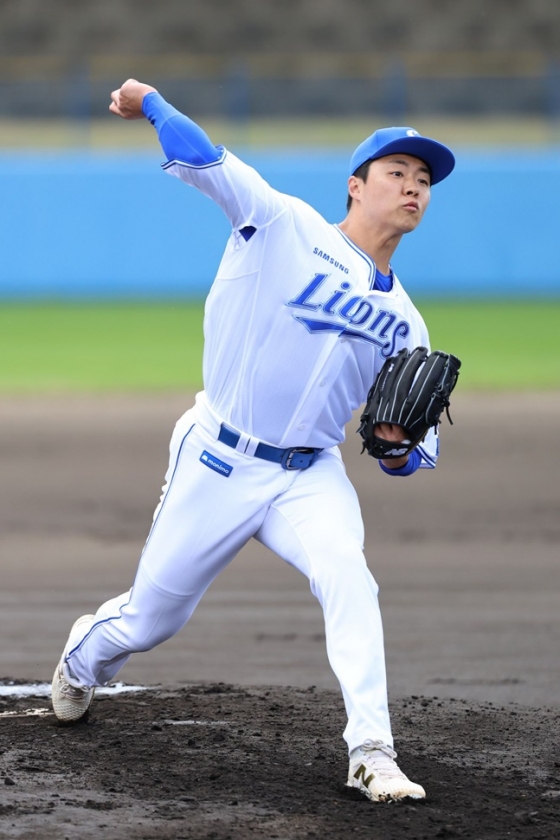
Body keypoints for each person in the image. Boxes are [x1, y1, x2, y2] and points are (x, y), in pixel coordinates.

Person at [51, 78, 455, 803]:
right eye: (397, 172)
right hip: (218, 455)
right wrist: (151, 103)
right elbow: (205, 158)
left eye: (424, 180)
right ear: (356, 186)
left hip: (310, 474)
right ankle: (83, 660)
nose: (413, 187)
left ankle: (371, 751)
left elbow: (409, 452)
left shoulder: (409, 325)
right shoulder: (281, 223)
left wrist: (397, 449)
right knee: (151, 617)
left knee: (349, 578)